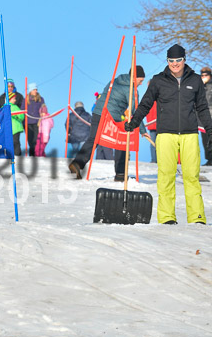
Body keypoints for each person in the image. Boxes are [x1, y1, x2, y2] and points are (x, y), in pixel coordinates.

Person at [126, 44, 212, 224]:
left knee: (191, 176)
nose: (175, 64)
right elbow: (145, 104)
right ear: (167, 61)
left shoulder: (195, 80)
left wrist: (210, 129)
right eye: (171, 61)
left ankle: (197, 217)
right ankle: (167, 217)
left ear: (184, 60)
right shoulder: (158, 81)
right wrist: (134, 122)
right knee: (166, 175)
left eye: (178, 60)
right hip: (165, 134)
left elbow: (202, 108)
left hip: (189, 134)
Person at [69, 65, 147, 181]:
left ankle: (77, 163)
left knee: (93, 139)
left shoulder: (115, 81)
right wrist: (142, 130)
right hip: (112, 117)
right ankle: (120, 174)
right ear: (135, 78)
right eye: (140, 81)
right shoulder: (131, 89)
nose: (141, 84)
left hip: (98, 112)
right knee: (122, 141)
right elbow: (135, 110)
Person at [0, 79, 25, 155]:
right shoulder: (2, 97)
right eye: (8, 86)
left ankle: (17, 155)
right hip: (7, 125)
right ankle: (7, 154)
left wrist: (17, 115)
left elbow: (21, 112)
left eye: (11, 86)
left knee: (15, 141)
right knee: (7, 141)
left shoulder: (19, 97)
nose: (10, 88)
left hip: (16, 126)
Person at [25, 83, 45, 156]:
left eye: (36, 89)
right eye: (34, 89)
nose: (35, 91)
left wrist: (43, 112)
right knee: (30, 141)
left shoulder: (40, 99)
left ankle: (37, 154)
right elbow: (22, 110)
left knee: (36, 140)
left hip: (37, 122)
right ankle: (32, 155)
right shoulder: (26, 99)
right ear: (30, 90)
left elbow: (43, 108)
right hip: (27, 122)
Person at [199, 66, 212, 166]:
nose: (204, 77)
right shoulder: (200, 86)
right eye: (202, 75)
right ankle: (209, 158)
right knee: (205, 140)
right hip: (202, 118)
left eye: (206, 75)